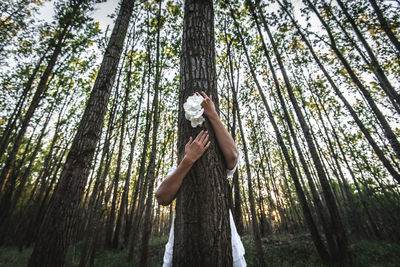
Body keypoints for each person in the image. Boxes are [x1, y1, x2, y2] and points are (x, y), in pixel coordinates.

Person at [155, 92, 246, 267]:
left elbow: (233, 156)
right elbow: (162, 197)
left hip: (226, 248)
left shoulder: (218, 166)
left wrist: (212, 114)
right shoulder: (177, 170)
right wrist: (188, 160)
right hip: (180, 250)